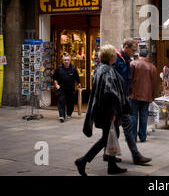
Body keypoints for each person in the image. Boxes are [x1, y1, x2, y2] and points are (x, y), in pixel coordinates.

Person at [74, 44, 128, 176]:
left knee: (111, 136)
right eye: (114, 55)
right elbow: (109, 93)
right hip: (108, 110)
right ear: (110, 57)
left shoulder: (100, 69)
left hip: (103, 109)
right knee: (106, 138)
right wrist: (112, 113)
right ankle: (83, 160)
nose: (116, 56)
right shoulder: (107, 70)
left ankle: (112, 164)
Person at [109, 38, 152, 165]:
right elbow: (114, 81)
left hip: (123, 98)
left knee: (117, 128)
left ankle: (109, 155)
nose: (135, 52)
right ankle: (135, 155)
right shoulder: (117, 59)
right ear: (126, 48)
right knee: (123, 126)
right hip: (118, 99)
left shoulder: (127, 60)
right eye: (133, 50)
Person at [129, 49, 158, 142]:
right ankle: (142, 136)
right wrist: (153, 95)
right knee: (144, 116)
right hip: (146, 95)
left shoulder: (133, 64)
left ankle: (133, 137)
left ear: (139, 55)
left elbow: (129, 79)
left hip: (134, 95)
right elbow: (154, 83)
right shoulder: (152, 67)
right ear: (147, 56)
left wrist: (128, 92)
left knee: (133, 116)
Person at [53, 54, 80, 123]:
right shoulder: (59, 68)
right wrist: (56, 85)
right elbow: (55, 77)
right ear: (63, 60)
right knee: (61, 101)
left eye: (68, 60)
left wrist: (79, 86)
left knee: (70, 102)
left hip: (71, 88)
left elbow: (77, 78)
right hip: (61, 88)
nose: (66, 61)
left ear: (70, 61)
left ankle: (69, 113)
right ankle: (61, 116)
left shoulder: (73, 68)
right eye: (65, 60)